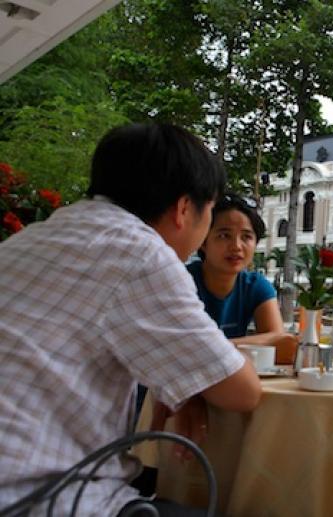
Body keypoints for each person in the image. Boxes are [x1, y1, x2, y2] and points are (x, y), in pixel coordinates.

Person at [0, 123, 261, 517]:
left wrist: (185, 382)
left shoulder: (32, 238)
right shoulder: (142, 254)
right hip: (37, 498)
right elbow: (242, 392)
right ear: (184, 208)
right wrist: (191, 381)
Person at [187, 193, 297, 357]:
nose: (236, 246)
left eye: (246, 236)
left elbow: (281, 342)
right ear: (203, 241)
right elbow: (186, 350)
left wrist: (216, 347)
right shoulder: (183, 281)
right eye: (224, 235)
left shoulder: (255, 285)